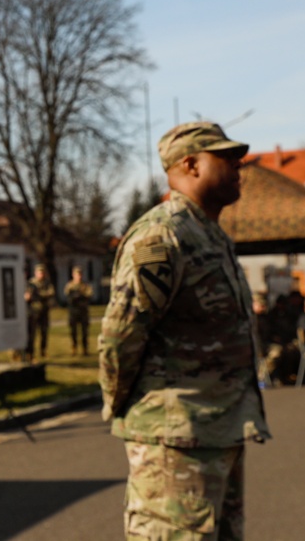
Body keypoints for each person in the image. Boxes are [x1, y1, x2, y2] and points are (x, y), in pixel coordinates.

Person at [99, 121, 271, 540]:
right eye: (226, 158)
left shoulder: (209, 233)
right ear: (190, 164)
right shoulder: (162, 235)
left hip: (219, 431)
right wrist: (126, 407)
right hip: (175, 442)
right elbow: (121, 337)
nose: (238, 167)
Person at [24, 263, 56, 361]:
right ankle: (30, 353)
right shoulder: (31, 283)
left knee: (44, 332)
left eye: (42, 272)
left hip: (44, 312)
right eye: (39, 272)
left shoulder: (47, 283)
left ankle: (43, 351)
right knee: (32, 334)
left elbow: (51, 292)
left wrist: (39, 294)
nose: (41, 274)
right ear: (35, 273)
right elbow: (27, 296)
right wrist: (29, 297)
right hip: (33, 312)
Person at [64, 266, 93, 356]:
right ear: (73, 275)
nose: (78, 276)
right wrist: (75, 296)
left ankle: (85, 349)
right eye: (77, 274)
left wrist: (80, 295)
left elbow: (89, 294)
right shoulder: (70, 285)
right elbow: (67, 296)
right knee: (73, 331)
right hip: (73, 311)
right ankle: (74, 347)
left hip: (83, 311)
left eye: (80, 274)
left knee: (84, 331)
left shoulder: (85, 285)